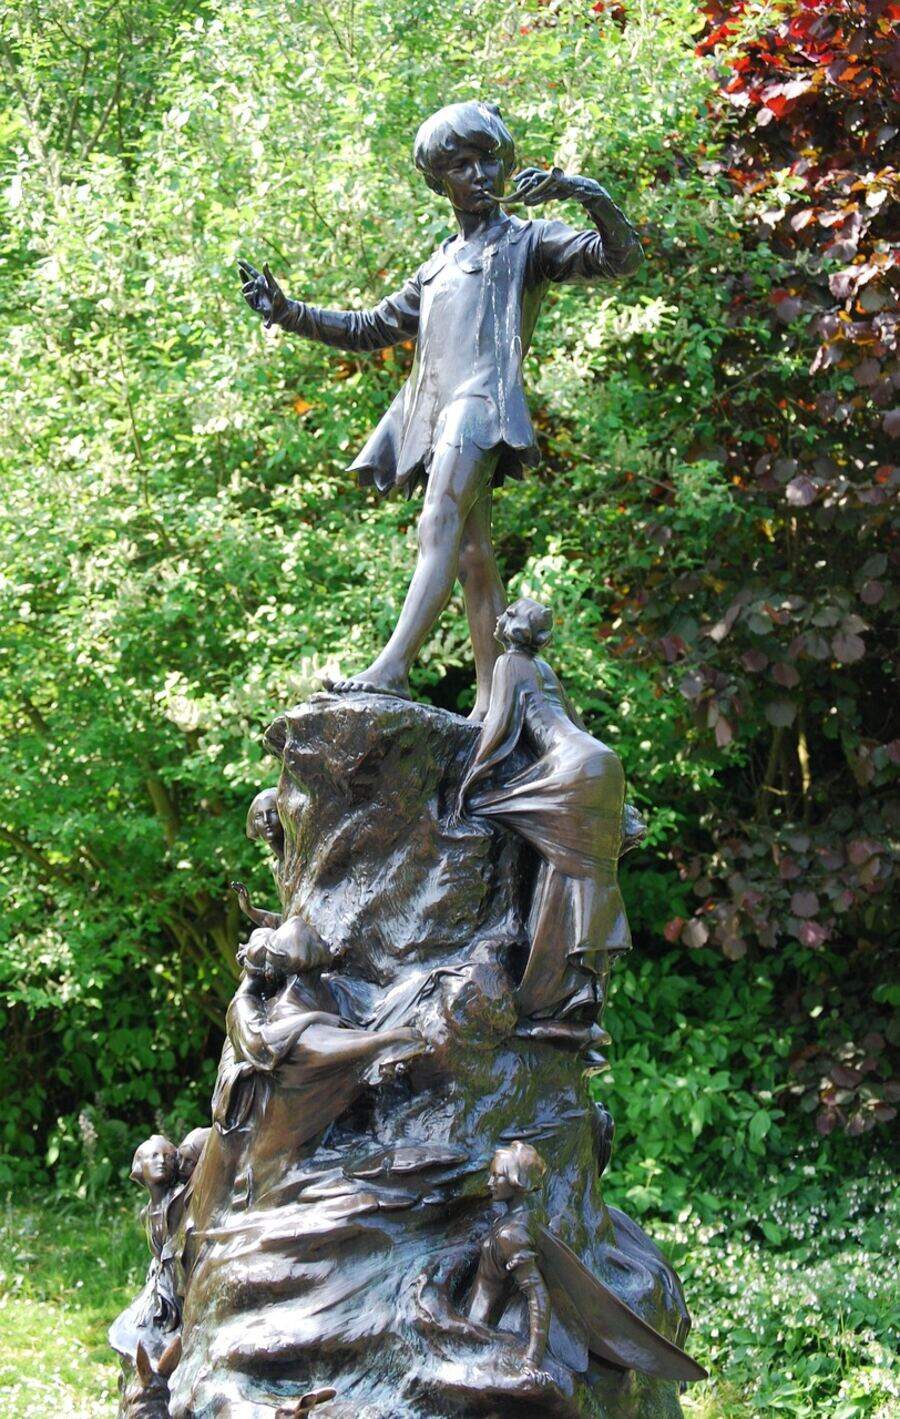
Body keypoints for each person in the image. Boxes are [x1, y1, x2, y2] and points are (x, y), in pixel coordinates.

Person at [239, 100, 642, 718]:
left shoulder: (529, 241)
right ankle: (493, 704)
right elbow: (369, 327)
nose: (480, 175)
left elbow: (621, 258)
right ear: (438, 181)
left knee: (439, 520)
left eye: (489, 160)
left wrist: (582, 191)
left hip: (481, 407)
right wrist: (288, 312)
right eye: (461, 165)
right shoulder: (437, 267)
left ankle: (393, 667)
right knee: (474, 557)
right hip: (433, 415)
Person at [459, 598, 636, 1025]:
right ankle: (576, 997)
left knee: (559, 873)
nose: (498, 615)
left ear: (513, 626)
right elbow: (574, 723)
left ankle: (546, 998)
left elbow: (498, 728)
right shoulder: (544, 668)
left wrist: (468, 782)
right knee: (586, 880)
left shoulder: (510, 664)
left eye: (508, 612)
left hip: (572, 769)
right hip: (603, 763)